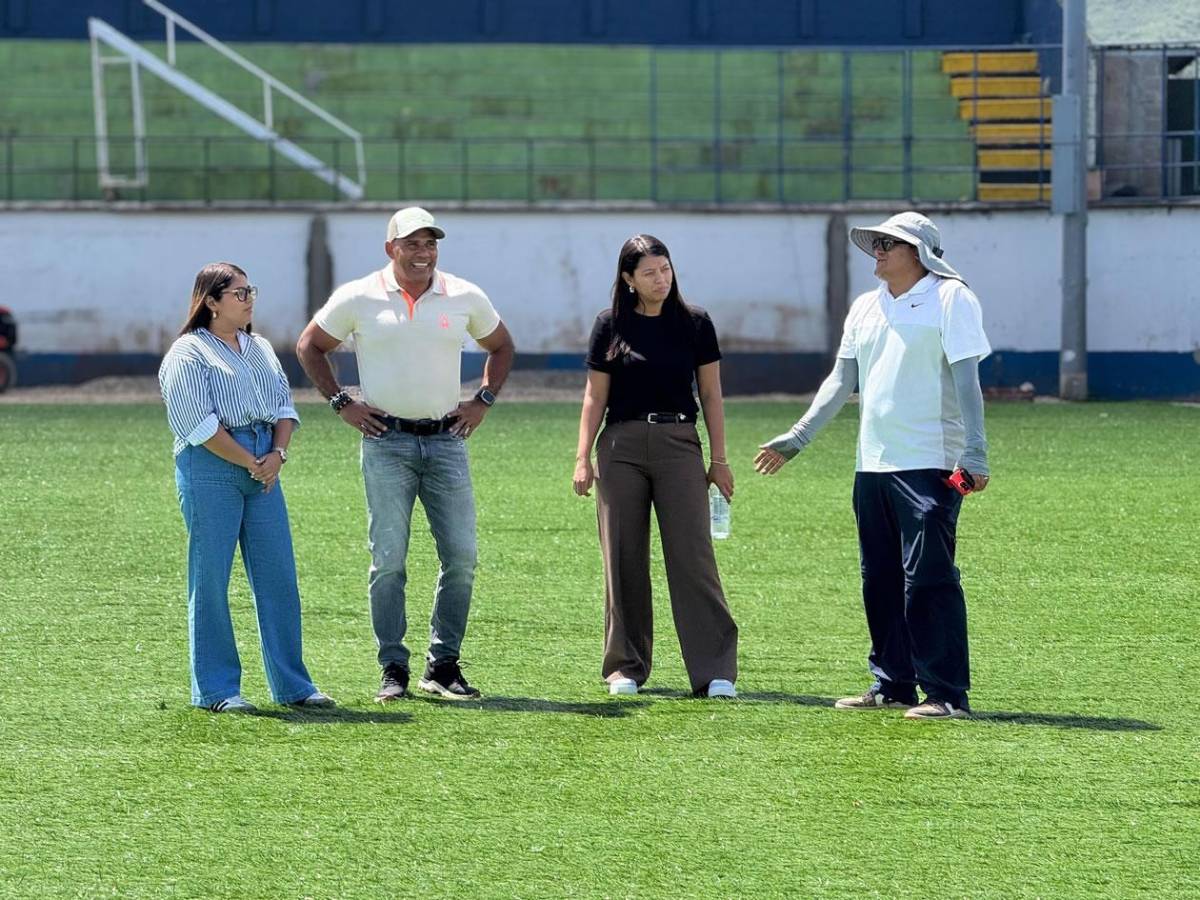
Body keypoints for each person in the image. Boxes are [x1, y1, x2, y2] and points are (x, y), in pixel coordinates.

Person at [755, 212, 990, 720]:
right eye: (877, 242)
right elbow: (841, 381)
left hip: (931, 464)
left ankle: (948, 693)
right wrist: (799, 436)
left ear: (920, 252)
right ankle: (893, 684)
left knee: (929, 578)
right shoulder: (865, 307)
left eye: (889, 243)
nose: (878, 250)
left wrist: (975, 452)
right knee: (878, 577)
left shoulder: (952, 298)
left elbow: (968, 380)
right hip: (873, 466)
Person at [296, 207, 514, 702]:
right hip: (385, 442)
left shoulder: (463, 294)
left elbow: (501, 345)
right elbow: (310, 345)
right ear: (390, 248)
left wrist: (482, 401)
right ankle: (392, 666)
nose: (423, 252)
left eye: (431, 243)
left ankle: (443, 666)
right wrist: (340, 402)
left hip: (447, 441)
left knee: (461, 556)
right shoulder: (358, 296)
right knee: (389, 559)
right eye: (412, 243)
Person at [159, 262, 334, 714]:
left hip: (264, 464)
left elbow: (283, 405)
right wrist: (251, 461)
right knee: (211, 578)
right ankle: (217, 690)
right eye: (238, 293)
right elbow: (196, 423)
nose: (249, 298)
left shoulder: (259, 347)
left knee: (278, 576)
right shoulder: (187, 353)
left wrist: (277, 455)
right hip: (211, 466)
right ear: (211, 302)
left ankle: (293, 685)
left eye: (250, 290)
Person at [573, 234, 739, 698]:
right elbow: (594, 396)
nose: (660, 279)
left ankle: (714, 670)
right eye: (648, 272)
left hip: (681, 443)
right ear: (628, 279)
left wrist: (719, 460)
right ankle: (625, 666)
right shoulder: (609, 325)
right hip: (620, 445)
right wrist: (582, 457)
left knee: (693, 557)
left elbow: (711, 395)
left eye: (664, 269)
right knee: (622, 557)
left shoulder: (695, 323)